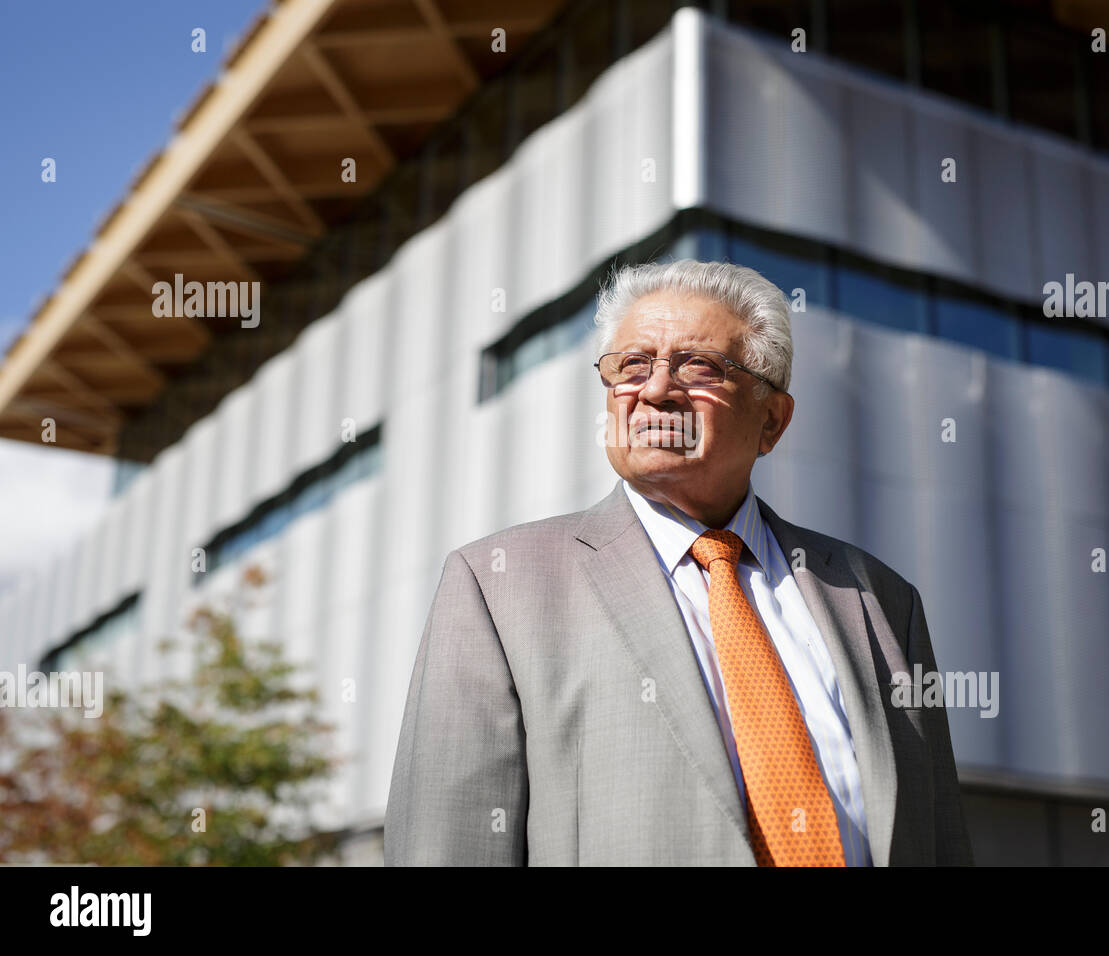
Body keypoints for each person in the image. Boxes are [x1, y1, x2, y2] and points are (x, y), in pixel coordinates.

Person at [385, 259, 973, 866]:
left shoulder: (877, 598)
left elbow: (940, 839)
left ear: (771, 420)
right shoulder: (498, 586)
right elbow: (447, 846)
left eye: (698, 366)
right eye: (632, 365)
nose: (657, 389)